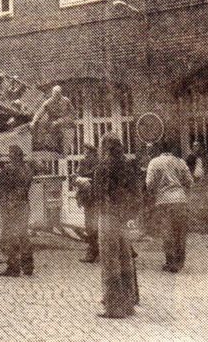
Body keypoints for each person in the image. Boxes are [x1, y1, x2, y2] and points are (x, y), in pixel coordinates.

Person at [93, 132, 139, 319]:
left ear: (104, 148)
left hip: (108, 217)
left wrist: (85, 186)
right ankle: (129, 303)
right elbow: (136, 194)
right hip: (123, 218)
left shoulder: (102, 168)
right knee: (125, 258)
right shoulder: (128, 167)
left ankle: (113, 306)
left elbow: (98, 196)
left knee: (109, 260)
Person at [145, 141, 193, 273]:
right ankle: (179, 262)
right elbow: (189, 182)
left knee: (167, 232)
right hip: (181, 200)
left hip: (163, 201)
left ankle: (170, 262)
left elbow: (149, 184)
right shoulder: (180, 161)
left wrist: (155, 193)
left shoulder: (154, 163)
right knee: (180, 232)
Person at [0, 145, 35, 277]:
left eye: (10, 155)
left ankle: (13, 267)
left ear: (13, 156)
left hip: (11, 205)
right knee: (23, 234)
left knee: (9, 235)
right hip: (24, 204)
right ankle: (28, 266)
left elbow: (1, 185)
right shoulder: (28, 169)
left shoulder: (9, 169)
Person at [31, 85, 76, 154]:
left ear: (60, 94)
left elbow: (73, 113)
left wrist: (64, 120)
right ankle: (42, 145)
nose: (55, 97)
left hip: (64, 120)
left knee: (56, 126)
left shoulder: (66, 101)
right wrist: (34, 121)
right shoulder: (48, 102)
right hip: (52, 121)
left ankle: (57, 146)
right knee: (41, 124)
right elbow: (39, 113)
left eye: (57, 95)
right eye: (54, 95)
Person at [74, 142, 99, 263]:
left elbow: (78, 176)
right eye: (84, 152)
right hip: (91, 198)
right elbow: (76, 176)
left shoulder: (93, 163)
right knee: (93, 225)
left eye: (87, 152)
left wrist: (81, 178)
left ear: (92, 153)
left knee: (91, 226)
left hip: (93, 199)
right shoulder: (88, 162)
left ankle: (92, 253)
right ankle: (95, 250)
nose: (85, 154)